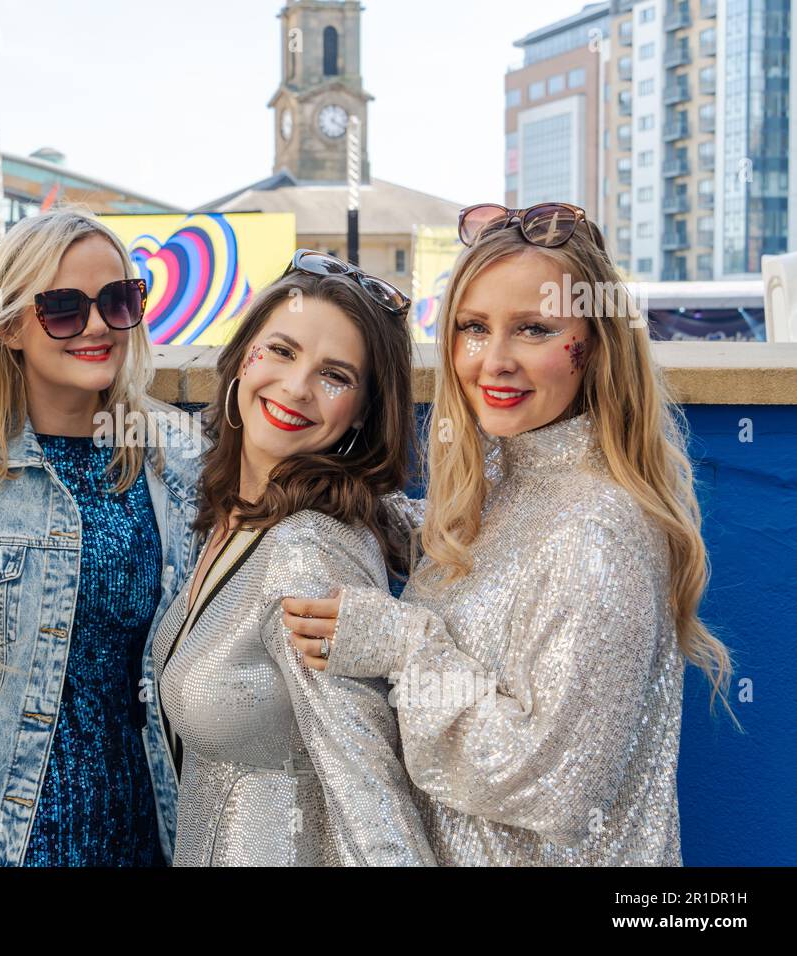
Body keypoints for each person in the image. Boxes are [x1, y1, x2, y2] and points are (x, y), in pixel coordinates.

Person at [285, 203, 735, 865]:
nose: (493, 361)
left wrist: (402, 643)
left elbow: (554, 785)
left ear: (597, 345)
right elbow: (491, 575)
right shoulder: (512, 473)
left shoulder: (598, 532)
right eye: (473, 327)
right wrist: (367, 510)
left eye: (532, 329)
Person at [0, 207, 205, 866]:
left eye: (118, 300)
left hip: (144, 839)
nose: (100, 326)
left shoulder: (177, 457)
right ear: (13, 326)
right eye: (65, 309)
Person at [153, 252, 436, 866]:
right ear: (243, 355)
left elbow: (369, 789)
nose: (297, 386)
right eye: (281, 351)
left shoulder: (308, 551)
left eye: (335, 375)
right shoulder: (234, 513)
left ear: (362, 411)